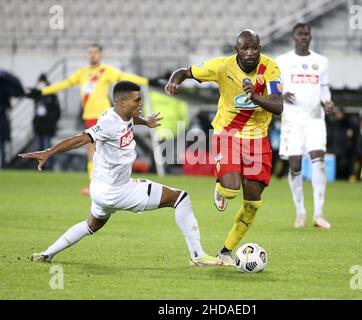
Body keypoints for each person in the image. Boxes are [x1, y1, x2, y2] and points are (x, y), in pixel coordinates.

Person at [19, 81, 223, 267]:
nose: (141, 103)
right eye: (138, 100)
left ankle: (47, 253)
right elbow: (81, 138)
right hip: (118, 190)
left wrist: (146, 121)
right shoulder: (109, 123)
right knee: (181, 198)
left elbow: (130, 120)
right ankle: (198, 256)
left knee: (91, 225)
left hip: (99, 189)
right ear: (122, 102)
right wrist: (48, 152)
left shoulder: (120, 115)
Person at [165, 30, 283, 265]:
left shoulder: (270, 68)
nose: (250, 53)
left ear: (259, 47)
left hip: (258, 138)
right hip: (228, 132)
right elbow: (184, 72)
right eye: (245, 48)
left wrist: (256, 98)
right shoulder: (221, 66)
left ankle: (226, 251)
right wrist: (173, 82)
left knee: (252, 203)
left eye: (255, 48)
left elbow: (278, 106)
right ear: (236, 49)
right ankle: (220, 188)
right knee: (230, 191)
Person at [28, 44, 148, 195]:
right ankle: (96, 184)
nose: (92, 55)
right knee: (92, 153)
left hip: (104, 118)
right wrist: (42, 91)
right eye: (90, 52)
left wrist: (147, 81)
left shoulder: (106, 71)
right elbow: (64, 84)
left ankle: (100, 185)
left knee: (100, 153)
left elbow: (125, 77)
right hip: (89, 117)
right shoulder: (82, 73)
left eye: (95, 52)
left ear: (101, 54)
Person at [275, 23, 334, 229]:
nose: (304, 37)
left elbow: (324, 89)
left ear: (310, 36)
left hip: (315, 118)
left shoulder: (321, 61)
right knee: (295, 165)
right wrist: (280, 95)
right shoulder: (282, 61)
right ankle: (300, 211)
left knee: (318, 160)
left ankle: (318, 213)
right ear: (294, 36)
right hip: (291, 119)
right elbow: (271, 84)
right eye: (300, 34)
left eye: (307, 34)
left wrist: (328, 102)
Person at [29, 73, 61, 169]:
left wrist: (52, 120)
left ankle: (49, 167)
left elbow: (57, 110)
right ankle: (40, 167)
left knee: (48, 148)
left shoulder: (51, 95)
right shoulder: (38, 95)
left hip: (48, 125)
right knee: (39, 147)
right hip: (39, 125)